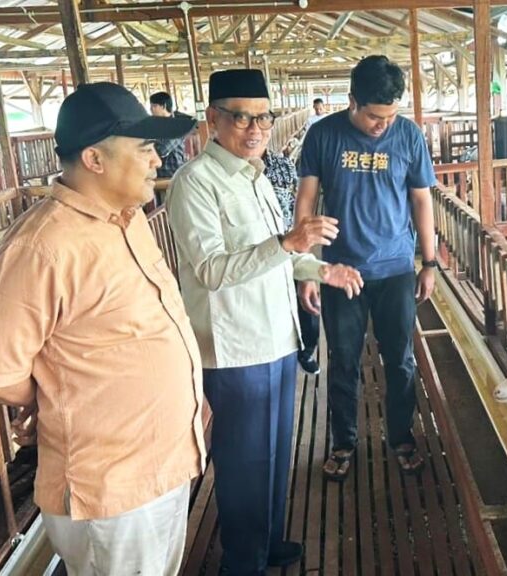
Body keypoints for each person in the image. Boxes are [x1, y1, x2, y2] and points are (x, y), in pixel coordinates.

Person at [0, 82, 203, 575]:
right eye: (145, 148)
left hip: (164, 460)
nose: (158, 160)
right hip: (110, 490)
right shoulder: (42, 247)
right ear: (95, 159)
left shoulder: (128, 219)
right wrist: (57, 393)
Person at [166, 69, 363, 576]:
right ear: (213, 120)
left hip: (277, 336)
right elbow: (211, 269)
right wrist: (290, 244)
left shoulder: (255, 176)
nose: (255, 128)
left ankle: (267, 541)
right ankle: (243, 561)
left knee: (275, 455)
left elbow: (279, 252)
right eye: (240, 117)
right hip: (235, 349)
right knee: (244, 464)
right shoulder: (195, 184)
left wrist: (322, 268)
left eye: (264, 117)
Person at [295, 55, 437, 481]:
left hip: (395, 267)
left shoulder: (408, 135)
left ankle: (401, 435)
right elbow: (305, 201)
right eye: (375, 116)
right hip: (341, 269)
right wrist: (307, 268)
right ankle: (343, 442)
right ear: (352, 101)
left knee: (401, 359)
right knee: (343, 360)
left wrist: (428, 263)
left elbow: (421, 200)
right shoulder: (323, 135)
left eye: (390, 116)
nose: (383, 125)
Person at [265, 148, 322, 375]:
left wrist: (302, 247)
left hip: (292, 242)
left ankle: (307, 350)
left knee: (308, 303)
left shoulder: (283, 165)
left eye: (262, 121)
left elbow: (299, 207)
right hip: (260, 250)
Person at [149, 91, 190, 179]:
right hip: (159, 175)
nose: (151, 109)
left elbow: (162, 150)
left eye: (154, 106)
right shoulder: (156, 125)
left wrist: (146, 147)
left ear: (163, 106)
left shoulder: (176, 126)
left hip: (172, 175)